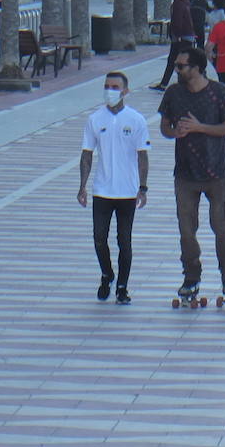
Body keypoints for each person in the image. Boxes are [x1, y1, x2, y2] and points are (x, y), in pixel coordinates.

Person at [158, 46, 225, 304]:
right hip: (185, 174)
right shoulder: (173, 93)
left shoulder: (218, 93)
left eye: (182, 66)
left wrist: (199, 127)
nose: (177, 70)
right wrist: (175, 132)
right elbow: (164, 126)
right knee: (186, 229)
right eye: (176, 66)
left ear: (197, 68)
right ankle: (191, 277)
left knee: (222, 226)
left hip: (216, 173)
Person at [77, 72, 149, 304]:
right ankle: (107, 274)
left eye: (115, 87)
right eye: (107, 86)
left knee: (124, 240)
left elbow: (142, 156)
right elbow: (86, 155)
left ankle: (122, 286)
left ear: (125, 91)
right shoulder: (95, 120)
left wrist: (143, 187)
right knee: (99, 237)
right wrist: (82, 186)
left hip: (127, 191)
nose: (110, 91)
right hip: (102, 190)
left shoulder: (136, 120)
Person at [150, 0, 196, 92]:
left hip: (181, 37)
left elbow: (178, 21)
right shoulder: (183, 2)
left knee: (179, 61)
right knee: (173, 61)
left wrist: (178, 35)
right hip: (184, 36)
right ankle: (164, 84)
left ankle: (184, 84)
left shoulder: (178, 4)